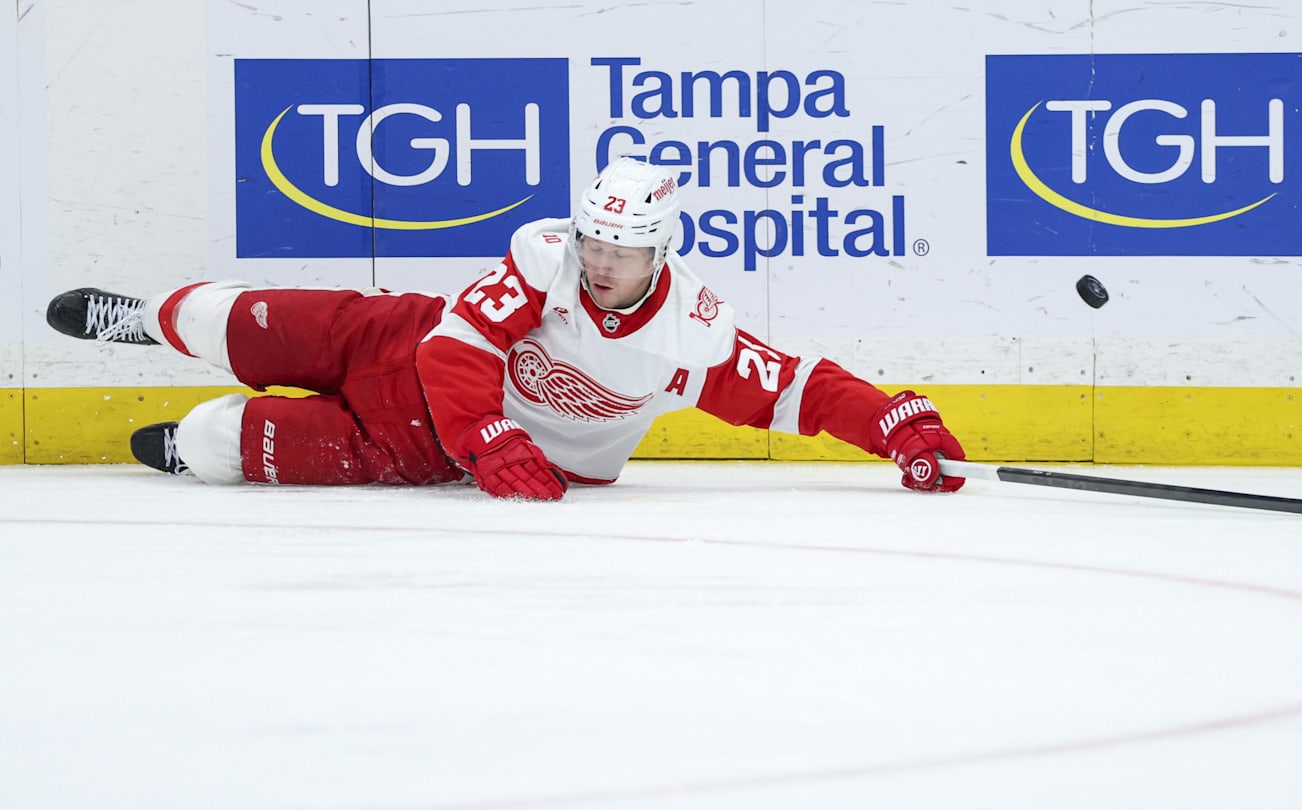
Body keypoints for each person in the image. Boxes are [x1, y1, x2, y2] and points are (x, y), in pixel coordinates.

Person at [45, 157, 966, 500]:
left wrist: (894, 423)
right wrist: (490, 436)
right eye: (594, 242)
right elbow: (456, 348)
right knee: (232, 318)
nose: (602, 265)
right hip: (396, 345)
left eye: (623, 252)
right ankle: (153, 325)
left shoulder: (689, 336)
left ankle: (187, 445)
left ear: (660, 254)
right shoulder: (542, 257)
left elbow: (795, 389)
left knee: (223, 441)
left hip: (411, 448)